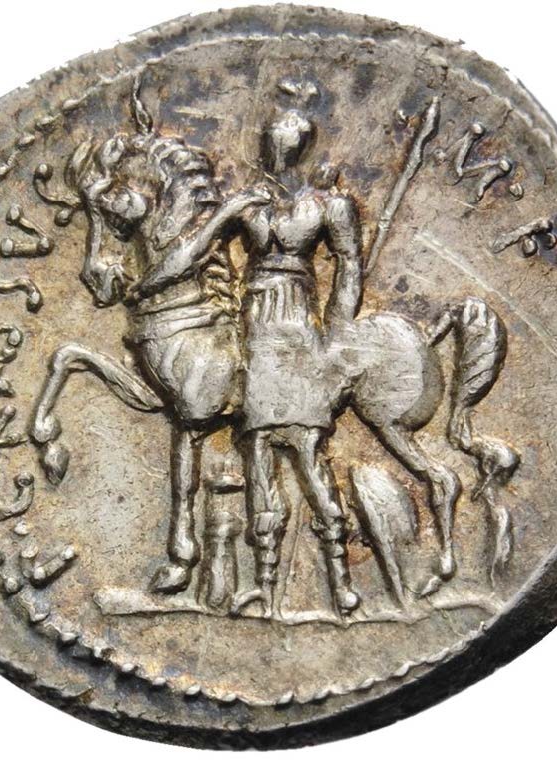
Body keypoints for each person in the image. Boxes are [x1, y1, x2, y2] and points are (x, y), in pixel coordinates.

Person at [230, 84, 364, 617]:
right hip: (256, 327)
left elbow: (349, 265)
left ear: (303, 148)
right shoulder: (247, 202)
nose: (277, 150)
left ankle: (340, 580)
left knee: (308, 452)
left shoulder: (329, 205)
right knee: (259, 449)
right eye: (271, 140)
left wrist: (337, 334)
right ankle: (264, 588)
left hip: (299, 330)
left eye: (287, 142)